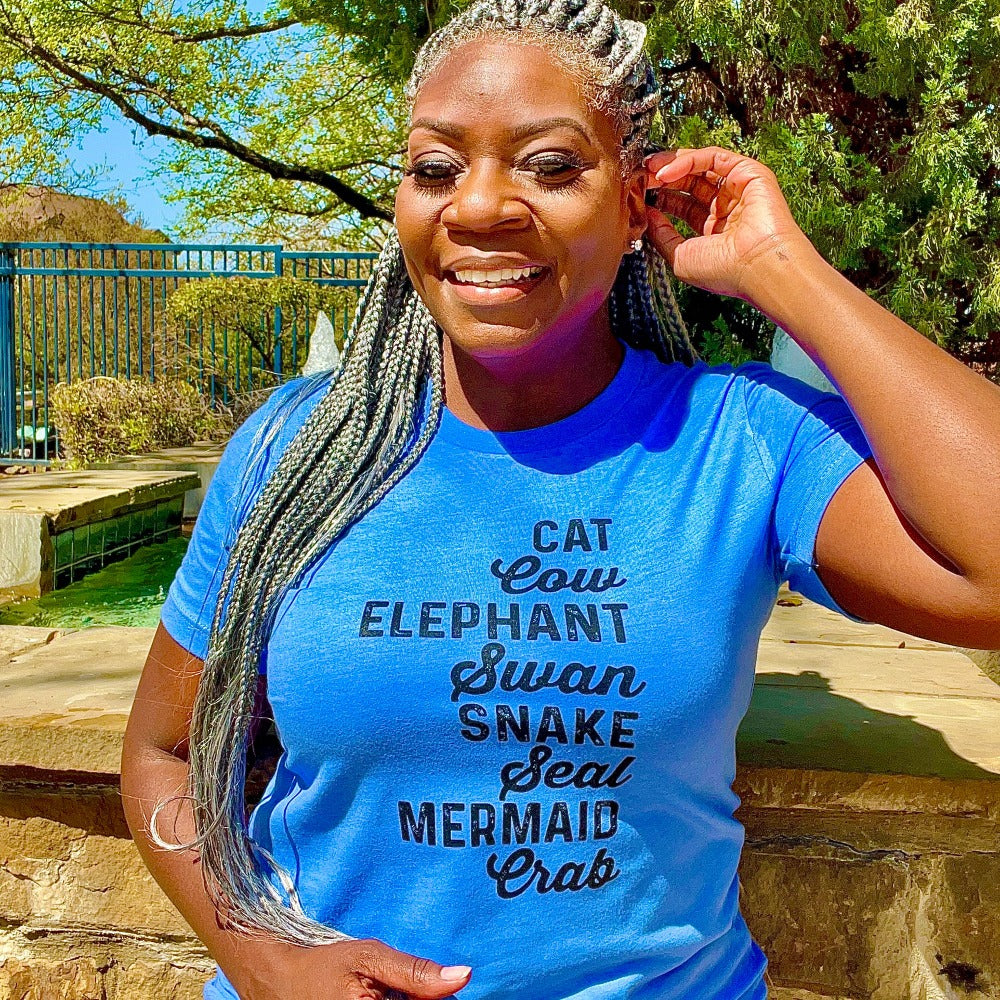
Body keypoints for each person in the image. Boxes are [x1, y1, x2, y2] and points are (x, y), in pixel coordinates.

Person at [119, 0, 1000, 998]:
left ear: (636, 208)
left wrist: (782, 272)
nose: (481, 205)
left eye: (549, 164)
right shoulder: (297, 446)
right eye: (435, 167)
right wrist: (262, 957)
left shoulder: (737, 438)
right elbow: (161, 754)